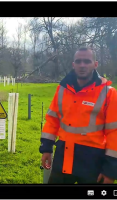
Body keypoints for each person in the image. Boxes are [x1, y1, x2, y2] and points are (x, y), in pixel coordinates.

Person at [40, 47, 117, 184]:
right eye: (79, 61)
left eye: (87, 61)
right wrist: (46, 148)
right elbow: (52, 120)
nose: (82, 65)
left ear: (95, 64)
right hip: (63, 155)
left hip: (93, 160)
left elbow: (114, 132)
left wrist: (110, 170)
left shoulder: (109, 93)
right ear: (73, 64)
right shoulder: (62, 88)